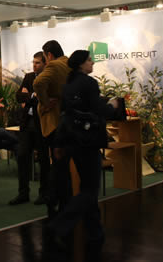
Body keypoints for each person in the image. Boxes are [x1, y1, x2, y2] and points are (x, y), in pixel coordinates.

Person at [48, 50, 119, 261]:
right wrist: (112, 106)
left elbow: (65, 116)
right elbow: (100, 111)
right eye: (89, 60)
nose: (92, 63)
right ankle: (59, 225)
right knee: (89, 190)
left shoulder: (68, 85)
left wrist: (59, 143)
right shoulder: (89, 83)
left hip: (74, 142)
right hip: (89, 143)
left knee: (89, 190)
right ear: (81, 64)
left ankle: (95, 233)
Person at [33, 40, 70, 214]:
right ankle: (64, 202)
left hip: (54, 121)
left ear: (49, 55)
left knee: (56, 164)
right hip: (67, 120)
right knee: (64, 164)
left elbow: (38, 83)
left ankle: (53, 200)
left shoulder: (54, 65)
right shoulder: (69, 63)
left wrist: (45, 102)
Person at [9, 51, 48, 205]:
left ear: (45, 63)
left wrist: (29, 96)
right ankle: (23, 193)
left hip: (42, 124)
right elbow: (19, 96)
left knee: (43, 160)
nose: (34, 65)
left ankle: (44, 194)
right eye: (33, 62)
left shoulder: (48, 78)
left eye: (38, 62)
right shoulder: (29, 77)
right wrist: (32, 96)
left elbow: (45, 100)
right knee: (22, 156)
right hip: (27, 124)